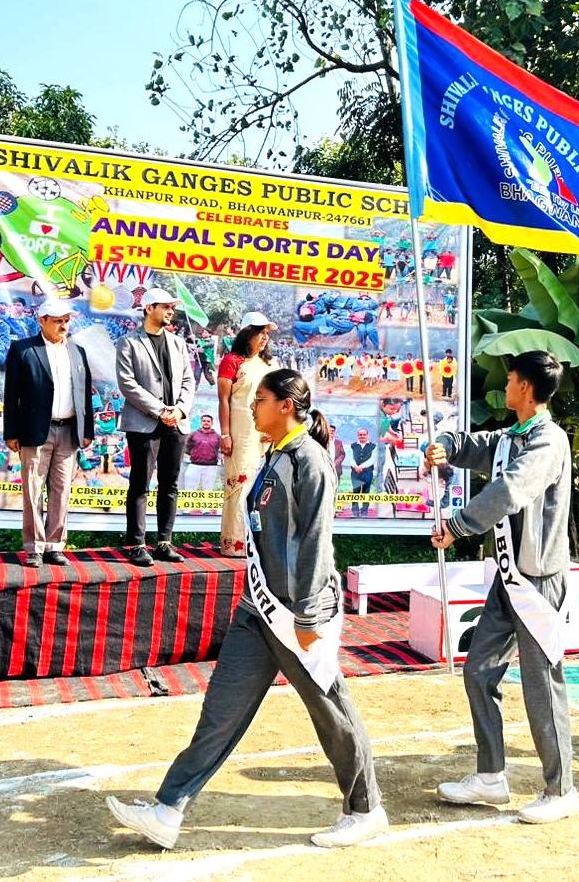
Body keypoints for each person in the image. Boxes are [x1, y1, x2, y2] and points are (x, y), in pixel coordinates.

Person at [106, 369, 387, 849]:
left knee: (331, 712)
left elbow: (316, 542)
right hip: (257, 610)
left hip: (298, 614)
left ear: (285, 406)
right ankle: (169, 809)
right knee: (221, 711)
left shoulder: (311, 460)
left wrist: (306, 615)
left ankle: (365, 809)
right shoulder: (274, 453)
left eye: (259, 400)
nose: (251, 407)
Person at [425, 350, 579, 824]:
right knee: (479, 671)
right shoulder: (512, 436)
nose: (506, 386)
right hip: (508, 580)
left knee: (541, 684)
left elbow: (510, 489)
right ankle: (491, 775)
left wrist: (458, 524)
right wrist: (444, 445)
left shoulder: (547, 441)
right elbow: (473, 444)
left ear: (525, 388)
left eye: (510, 379)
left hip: (538, 581)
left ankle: (561, 789)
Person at [3, 297, 95, 567]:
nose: (63, 325)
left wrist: (87, 430)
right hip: (33, 431)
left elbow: (85, 394)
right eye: (57, 321)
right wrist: (11, 433)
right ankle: (34, 547)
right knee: (33, 490)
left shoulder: (78, 351)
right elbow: (11, 394)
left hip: (69, 431)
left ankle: (55, 546)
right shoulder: (23, 349)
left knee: (62, 490)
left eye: (66, 320)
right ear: (41, 320)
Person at [116, 288, 196, 566]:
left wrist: (179, 409)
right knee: (140, 483)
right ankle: (136, 544)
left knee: (170, 484)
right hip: (143, 423)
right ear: (149, 308)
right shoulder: (128, 342)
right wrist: (161, 410)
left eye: (172, 307)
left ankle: (164, 542)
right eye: (165, 306)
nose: (171, 311)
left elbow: (189, 380)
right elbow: (127, 384)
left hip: (176, 422)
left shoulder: (178, 343)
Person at [217, 312, 277, 556]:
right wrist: (225, 434)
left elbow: (276, 399)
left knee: (263, 488)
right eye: (260, 333)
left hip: (266, 434)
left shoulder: (269, 365)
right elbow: (224, 400)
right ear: (247, 333)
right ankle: (234, 544)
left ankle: (257, 544)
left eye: (267, 334)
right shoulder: (232, 361)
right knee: (239, 484)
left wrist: (274, 429)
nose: (264, 338)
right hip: (241, 432)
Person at [184, 414, 222, 498]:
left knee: (208, 490)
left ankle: (207, 506)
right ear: (201, 422)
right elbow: (186, 447)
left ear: (212, 423)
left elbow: (222, 450)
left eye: (208, 421)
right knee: (190, 489)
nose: (206, 423)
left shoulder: (217, 436)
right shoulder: (193, 434)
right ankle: (189, 505)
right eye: (204, 421)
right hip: (194, 465)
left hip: (211, 467)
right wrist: (195, 454)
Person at [349, 428, 376, 518]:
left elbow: (372, 459)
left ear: (367, 435)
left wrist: (362, 466)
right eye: (360, 435)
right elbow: (350, 458)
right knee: (356, 491)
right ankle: (355, 511)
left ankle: (364, 511)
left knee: (366, 491)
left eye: (364, 434)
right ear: (358, 435)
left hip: (367, 473)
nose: (362, 436)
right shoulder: (353, 446)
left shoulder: (373, 446)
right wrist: (355, 466)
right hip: (355, 473)